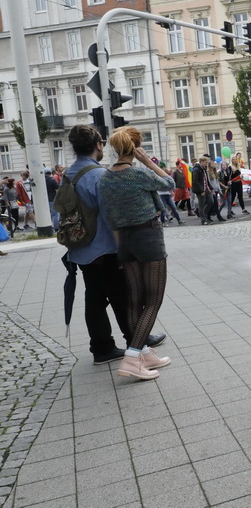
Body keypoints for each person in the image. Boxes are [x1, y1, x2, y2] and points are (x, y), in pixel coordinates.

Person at [63, 125, 167, 365]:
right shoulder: (99, 175)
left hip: (81, 247)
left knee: (95, 299)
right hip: (105, 247)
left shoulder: (70, 173)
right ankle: (138, 345)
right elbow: (112, 215)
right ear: (98, 145)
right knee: (124, 297)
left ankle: (102, 347)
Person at [96, 126, 173, 379]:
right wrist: (147, 161)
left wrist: (120, 250)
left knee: (134, 300)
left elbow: (111, 219)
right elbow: (170, 183)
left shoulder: (105, 178)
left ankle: (144, 352)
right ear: (136, 147)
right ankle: (132, 358)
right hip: (147, 236)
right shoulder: (138, 174)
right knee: (153, 300)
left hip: (125, 241)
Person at [191, 156, 211, 225]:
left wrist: (211, 188)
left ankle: (202, 214)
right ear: (201, 162)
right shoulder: (196, 169)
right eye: (205, 162)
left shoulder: (204, 168)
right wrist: (201, 190)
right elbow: (195, 181)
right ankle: (203, 219)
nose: (206, 164)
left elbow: (206, 179)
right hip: (200, 189)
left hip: (206, 188)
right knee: (201, 204)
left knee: (211, 201)